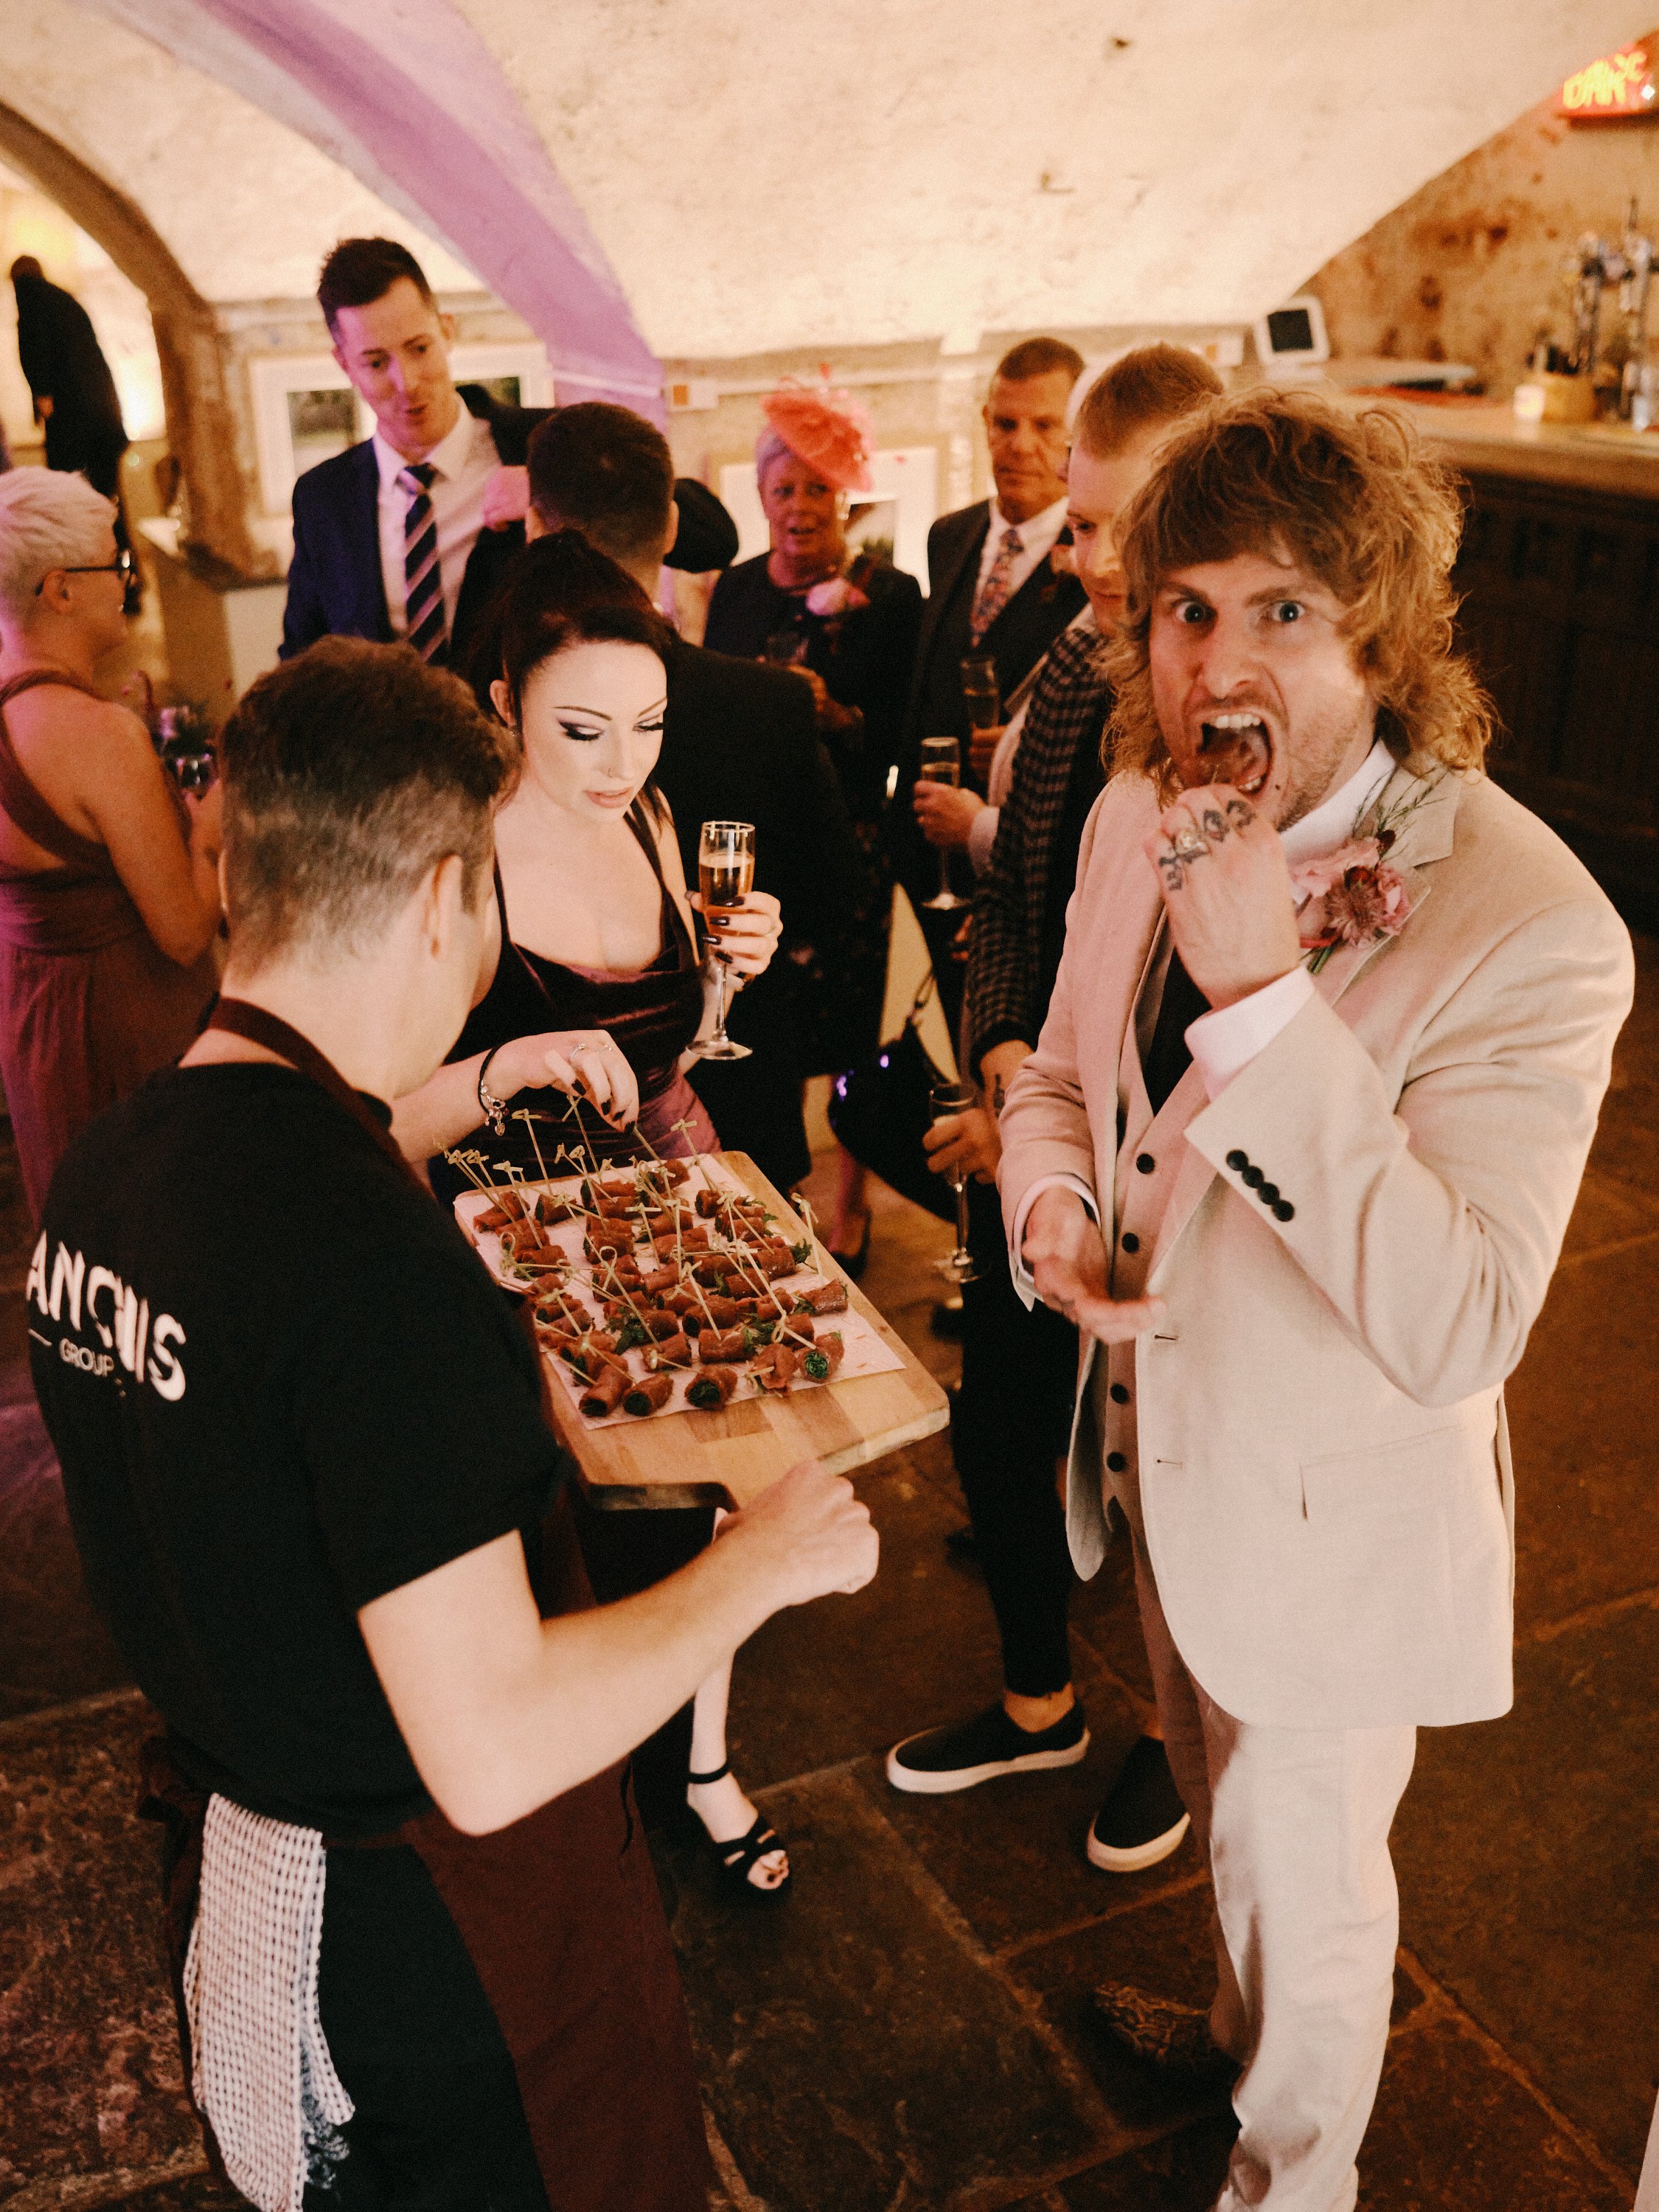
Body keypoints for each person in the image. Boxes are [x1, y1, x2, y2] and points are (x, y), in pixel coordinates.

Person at [28, 633, 878, 2209]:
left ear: (230, 863)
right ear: (444, 899)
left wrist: (484, 1085)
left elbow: (303, 1159)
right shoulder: (382, 1275)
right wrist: (766, 1557)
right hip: (447, 1951)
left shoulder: (108, 1168)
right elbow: (491, 1754)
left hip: (250, 1819)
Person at [998, 389, 1632, 2210]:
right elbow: (1060, 1070)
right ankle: (1229, 2035)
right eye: (1185, 608)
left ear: (1385, 632)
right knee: (1230, 1825)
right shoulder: (1141, 808)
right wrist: (1053, 1207)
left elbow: (1460, 1321)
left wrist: (1269, 1004)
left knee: (1318, 1889)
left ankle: (1297, 2178)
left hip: (1330, 1520)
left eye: (1282, 608)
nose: (1217, 660)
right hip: (1164, 1456)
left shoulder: (1532, 925)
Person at [397, 529, 799, 1899]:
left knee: (719, 1488)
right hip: (511, 1229)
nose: (622, 761)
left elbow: (672, 1039)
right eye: (583, 729)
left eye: (648, 725)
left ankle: (700, 1759)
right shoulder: (457, 859)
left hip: (664, 1188)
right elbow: (373, 1114)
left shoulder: (652, 819)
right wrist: (507, 1064)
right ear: (504, 702)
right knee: (573, 1523)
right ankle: (581, 1769)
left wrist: (733, 968)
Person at [889, 351, 1223, 1883]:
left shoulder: (1230, 705)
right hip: (1040, 1125)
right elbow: (1019, 905)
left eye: (1116, 526)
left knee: (1165, 1474)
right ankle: (1040, 1704)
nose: (1085, 561)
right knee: (1003, 1429)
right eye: (1079, 524)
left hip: (1176, 1170)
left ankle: (1171, 1730)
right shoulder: (1085, 666)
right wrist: (1009, 1065)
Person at [522, 400, 863, 1194]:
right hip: (736, 1102)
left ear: (535, 529)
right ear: (672, 526)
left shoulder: (491, 711)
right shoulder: (770, 703)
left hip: (549, 1140)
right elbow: (836, 894)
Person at [279, 237, 738, 672]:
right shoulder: (323, 497)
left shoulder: (544, 442)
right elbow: (304, 657)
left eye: (419, 349)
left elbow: (714, 539)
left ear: (447, 331)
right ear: (344, 363)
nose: (408, 382)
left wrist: (559, 488)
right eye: (377, 363)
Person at [704, 384, 922, 1270]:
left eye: (818, 490)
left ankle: (851, 1206)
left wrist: (830, 713)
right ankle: (776, 1192)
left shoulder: (891, 595)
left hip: (849, 847)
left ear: (844, 497)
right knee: (765, 1029)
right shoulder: (736, 590)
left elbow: (902, 735)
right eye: (783, 490)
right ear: (761, 497)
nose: (800, 508)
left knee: (850, 1036)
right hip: (758, 850)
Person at [0, 468, 218, 1221]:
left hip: (35, 1017)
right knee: (157, 1229)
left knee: (86, 1229)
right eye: (113, 562)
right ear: (60, 589)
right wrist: (212, 822)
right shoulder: (96, 735)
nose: (127, 579)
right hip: (125, 1026)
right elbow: (185, 933)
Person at [888, 336, 1088, 1032]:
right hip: (926, 851)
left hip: (1026, 867)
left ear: (1077, 436)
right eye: (1005, 424)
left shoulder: (1097, 560)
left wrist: (1020, 748)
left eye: (1044, 426)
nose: (1020, 446)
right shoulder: (950, 534)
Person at [10, 257, 128, 501]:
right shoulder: (65, 301)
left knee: (72, 489)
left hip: (71, 415)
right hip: (102, 413)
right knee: (104, 492)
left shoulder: (32, 302)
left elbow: (35, 350)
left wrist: (42, 392)